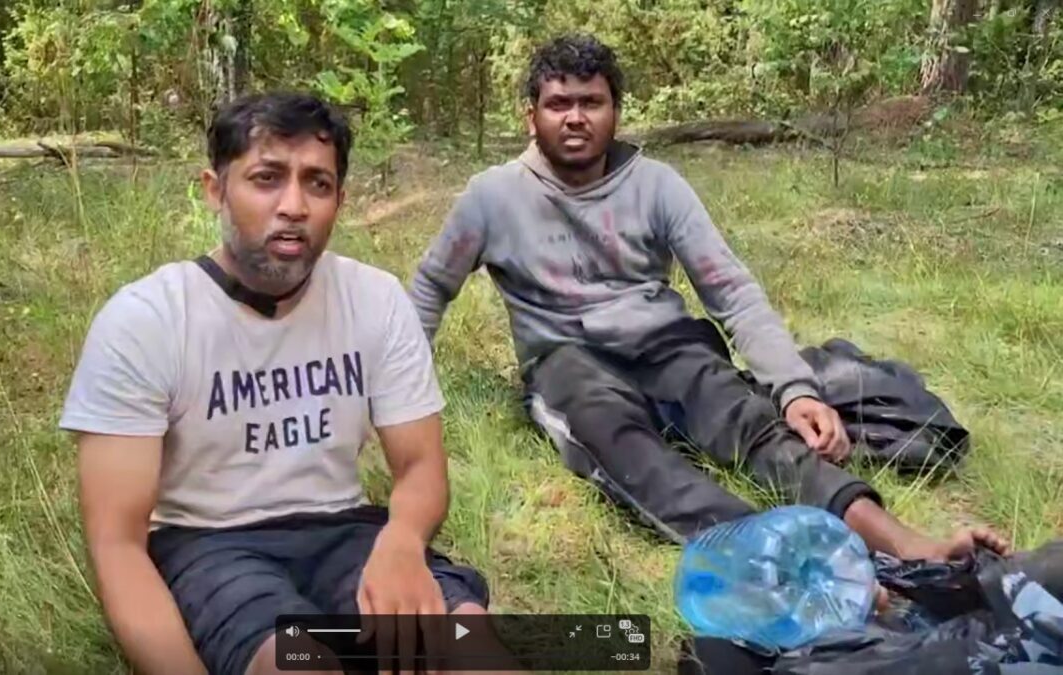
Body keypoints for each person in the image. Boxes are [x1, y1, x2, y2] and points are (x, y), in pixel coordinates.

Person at [408, 33, 1009, 563]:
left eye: (591, 102)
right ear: (531, 116)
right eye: (558, 104)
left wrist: (795, 390)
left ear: (616, 112)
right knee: (623, 448)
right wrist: (394, 389)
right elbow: (431, 288)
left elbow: (731, 291)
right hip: (567, 359)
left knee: (752, 420)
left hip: (667, 345)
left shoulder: (656, 185)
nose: (575, 118)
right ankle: (776, 555)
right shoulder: (492, 197)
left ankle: (905, 543)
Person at [60, 91, 493, 675]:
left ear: (339, 200)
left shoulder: (375, 299)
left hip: (346, 533)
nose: (293, 206)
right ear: (215, 190)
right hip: (209, 544)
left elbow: (420, 467)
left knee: (473, 650)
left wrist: (403, 542)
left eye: (318, 184)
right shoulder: (146, 320)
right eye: (266, 179)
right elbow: (117, 543)